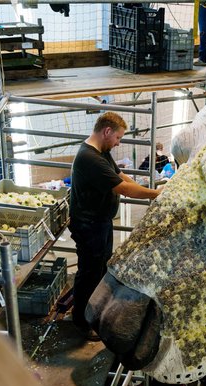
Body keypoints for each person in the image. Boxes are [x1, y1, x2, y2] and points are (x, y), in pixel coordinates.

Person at [69, 112, 161, 338]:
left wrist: (150, 189)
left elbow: (120, 177)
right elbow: (123, 189)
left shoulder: (101, 152)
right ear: (107, 131)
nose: (118, 142)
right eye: (118, 138)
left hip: (99, 222)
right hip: (89, 225)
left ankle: (92, 314)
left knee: (99, 268)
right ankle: (81, 320)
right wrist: (156, 194)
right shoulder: (90, 158)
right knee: (89, 272)